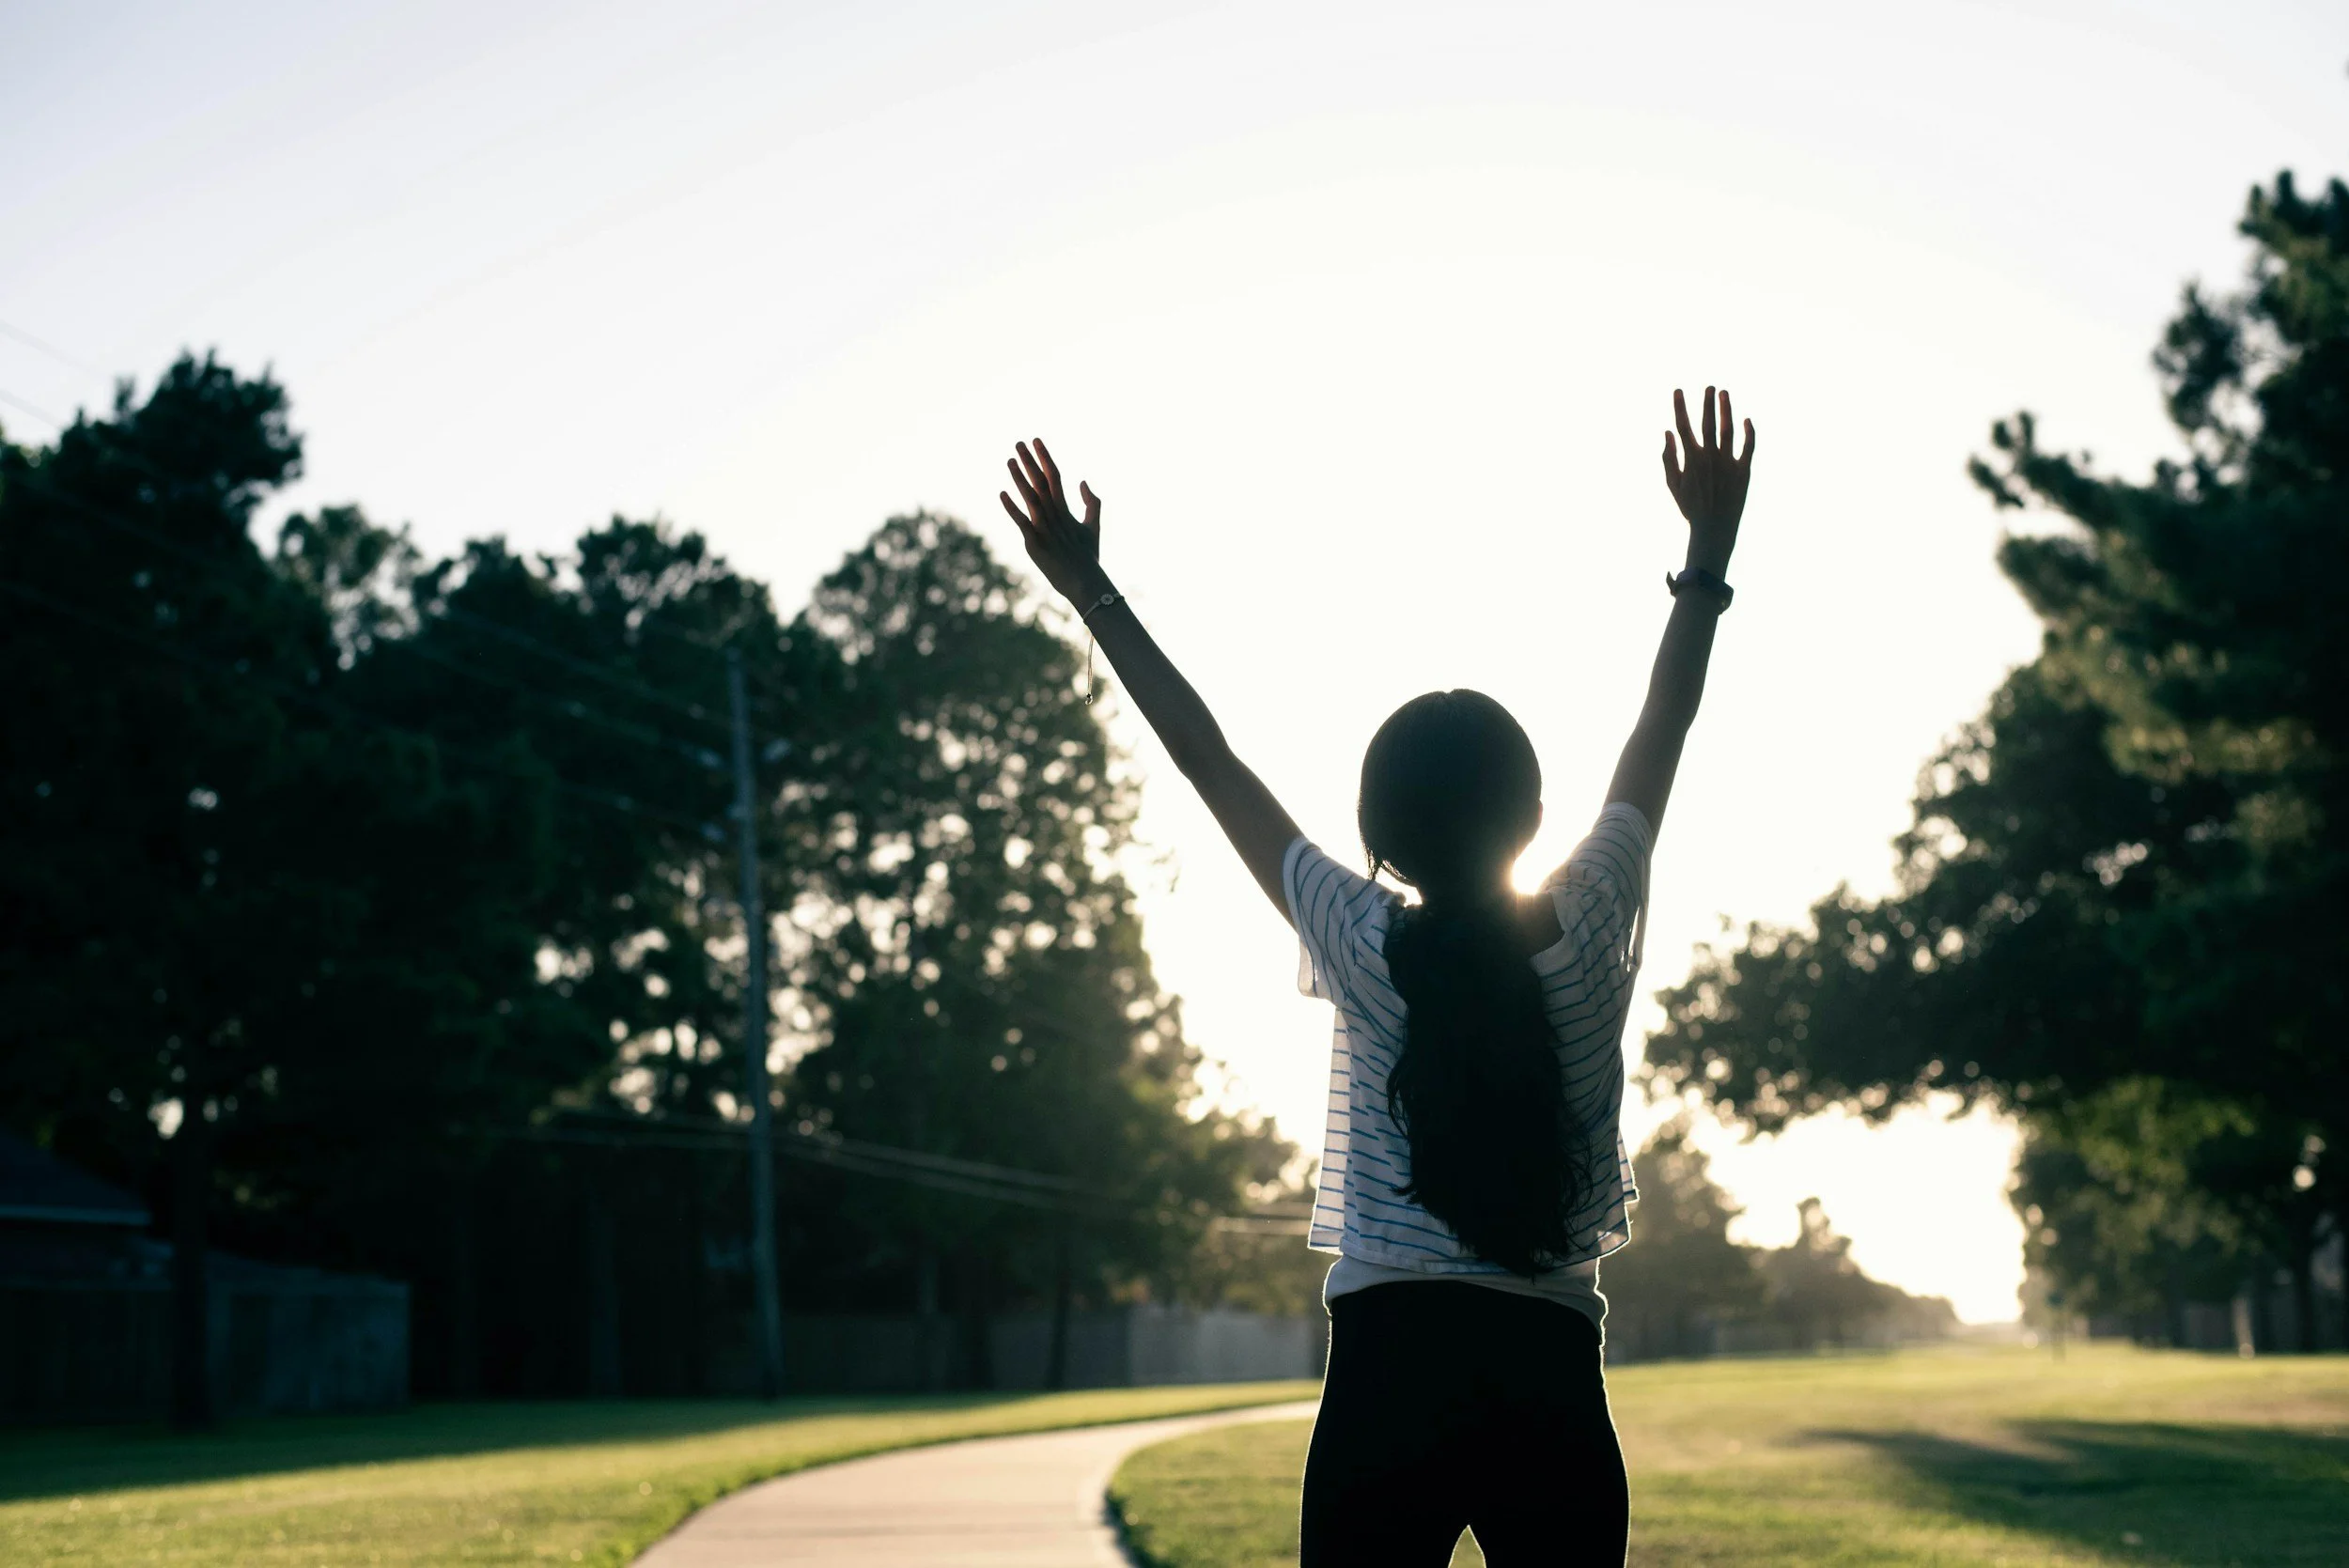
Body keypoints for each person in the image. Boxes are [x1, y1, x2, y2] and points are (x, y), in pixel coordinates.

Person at [998, 387, 1755, 1567]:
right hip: (1550, 1380)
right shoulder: (1597, 908)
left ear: (1379, 833)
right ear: (1534, 815)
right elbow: (1665, 718)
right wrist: (1706, 554)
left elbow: (1209, 760)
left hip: (1384, 1380)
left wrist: (1090, 588)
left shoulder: (1357, 937)